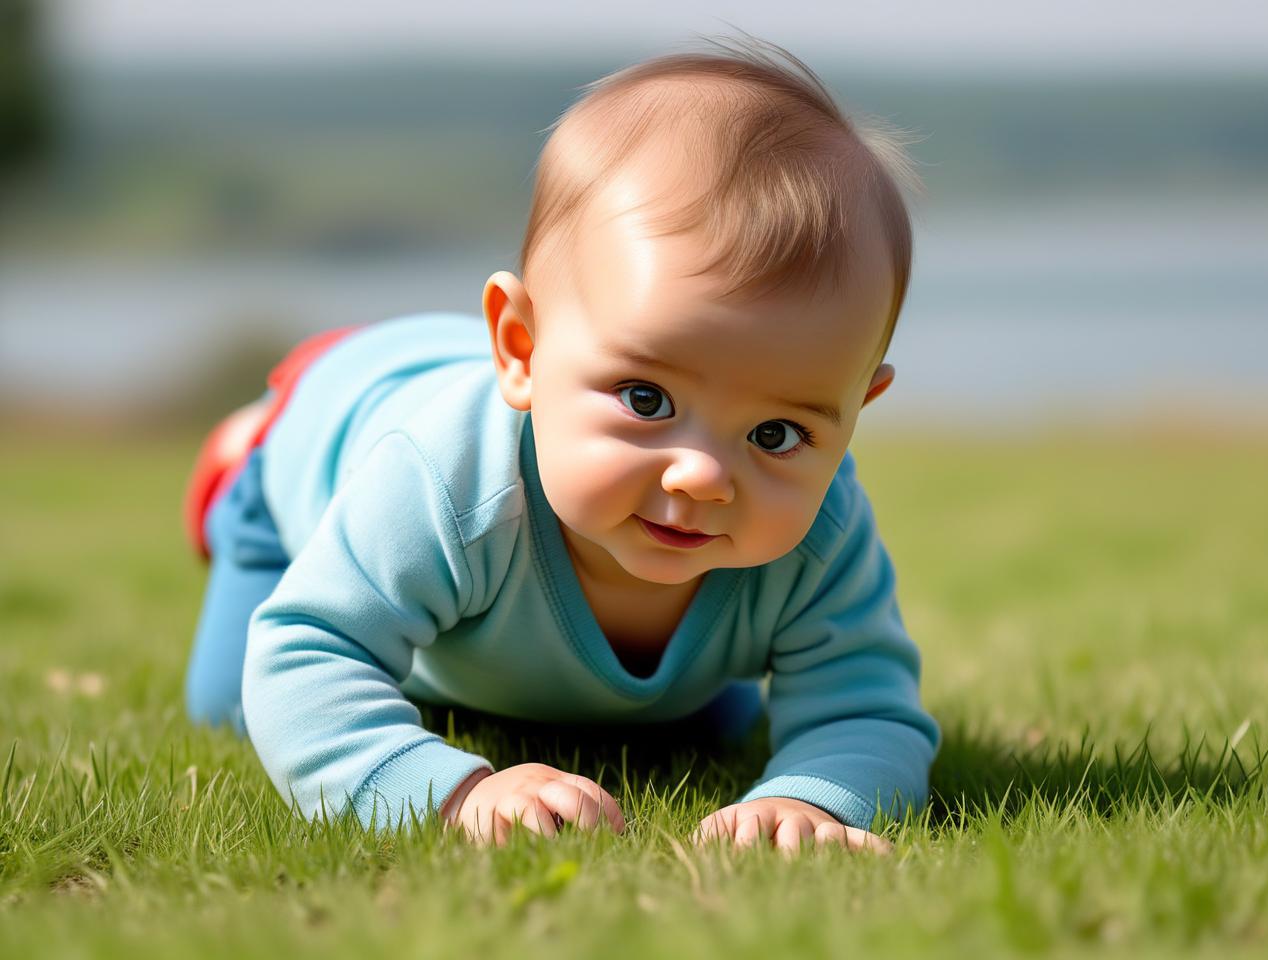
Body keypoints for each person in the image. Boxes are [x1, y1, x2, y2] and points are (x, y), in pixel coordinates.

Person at [182, 33, 940, 855]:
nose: (704, 476)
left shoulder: (821, 530)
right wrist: (456, 791)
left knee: (690, 731)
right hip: (319, 435)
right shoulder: (447, 479)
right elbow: (306, 655)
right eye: (646, 399)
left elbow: (863, 705)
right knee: (227, 705)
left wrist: (812, 801)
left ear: (856, 410)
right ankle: (242, 447)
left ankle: (639, 684)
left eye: (777, 433)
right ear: (521, 351)